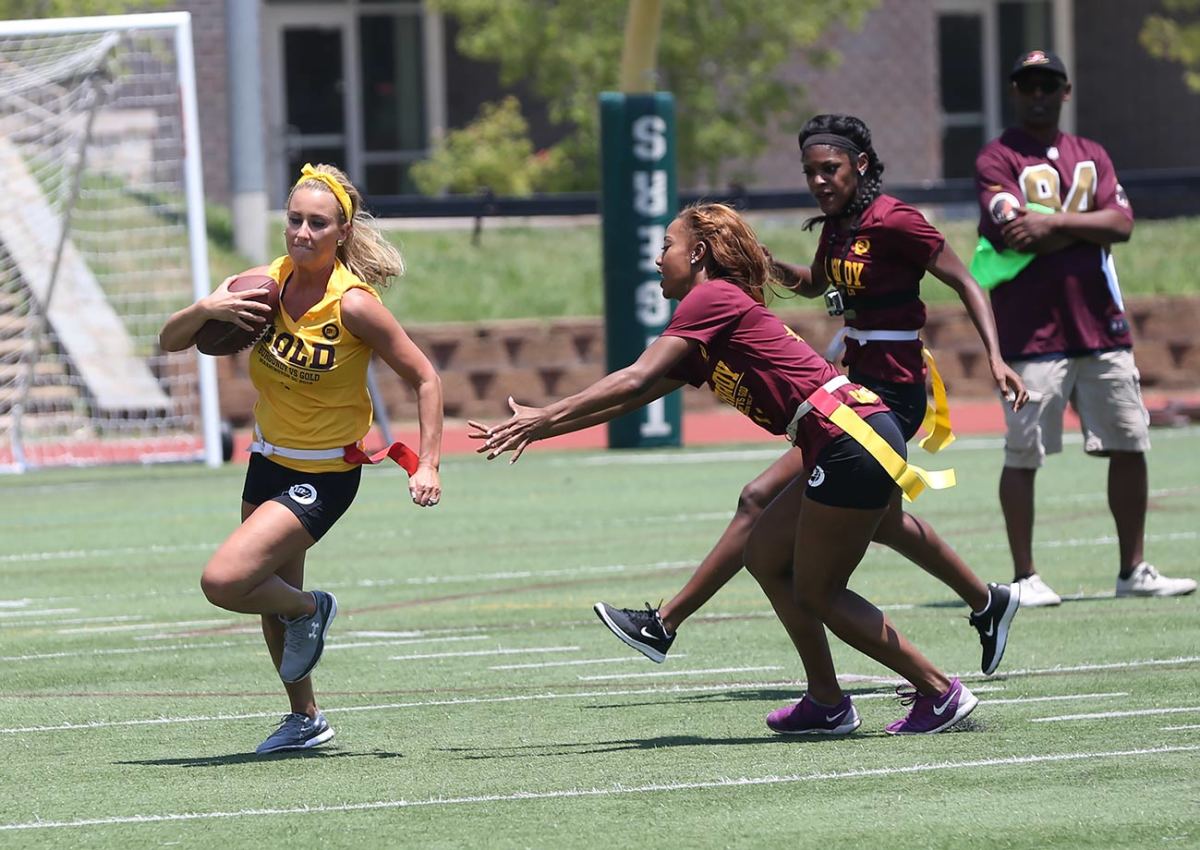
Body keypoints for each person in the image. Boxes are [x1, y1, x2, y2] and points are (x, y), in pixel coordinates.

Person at [473, 203, 982, 734]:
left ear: (697, 253)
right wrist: (538, 429)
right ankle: (828, 701)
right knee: (764, 555)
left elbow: (632, 376)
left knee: (819, 590)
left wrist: (545, 413)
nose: (656, 259)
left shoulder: (711, 296)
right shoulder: (709, 315)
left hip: (849, 435)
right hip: (841, 436)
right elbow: (636, 396)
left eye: (665, 246)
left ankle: (940, 691)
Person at [594, 114, 1027, 690]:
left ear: (861, 165)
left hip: (888, 395)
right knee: (882, 520)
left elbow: (965, 280)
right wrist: (759, 261)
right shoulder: (836, 227)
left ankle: (666, 623)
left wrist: (996, 357)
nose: (819, 181)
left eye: (830, 169)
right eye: (810, 172)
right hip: (854, 389)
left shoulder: (893, 219)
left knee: (760, 501)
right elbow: (816, 285)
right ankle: (987, 600)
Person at [159, 163, 444, 753]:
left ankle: (316, 607)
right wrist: (206, 309)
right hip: (266, 462)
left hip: (324, 473)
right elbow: (170, 340)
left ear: (342, 231)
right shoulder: (262, 285)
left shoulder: (354, 305)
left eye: (318, 223)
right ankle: (305, 718)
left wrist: (429, 463)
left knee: (226, 580)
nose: (303, 233)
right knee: (272, 603)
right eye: (295, 221)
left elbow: (425, 377)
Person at [973, 50, 1196, 606]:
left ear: (1066, 91)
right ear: (1015, 91)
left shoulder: (1091, 153)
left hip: (1100, 324)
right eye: (1029, 85)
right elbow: (1013, 229)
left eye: (1049, 85)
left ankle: (1133, 570)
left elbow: (1121, 223)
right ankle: (1026, 577)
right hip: (1030, 331)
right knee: (1024, 452)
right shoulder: (997, 156)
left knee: (1129, 442)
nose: (1039, 94)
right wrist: (1085, 226)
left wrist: (1055, 222)